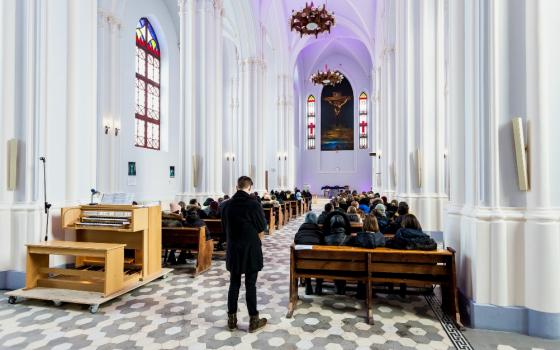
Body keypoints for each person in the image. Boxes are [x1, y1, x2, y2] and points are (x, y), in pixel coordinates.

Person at [221, 176, 268, 332]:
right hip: (250, 249)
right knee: (250, 285)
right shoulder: (254, 204)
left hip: (233, 249)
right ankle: (253, 320)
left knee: (234, 284)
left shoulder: (226, 205)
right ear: (250, 188)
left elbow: (224, 227)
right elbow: (262, 227)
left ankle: (231, 320)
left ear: (237, 187)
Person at [294, 212, 324, 295]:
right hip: (318, 264)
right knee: (320, 261)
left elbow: (295, 241)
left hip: (302, 264)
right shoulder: (319, 232)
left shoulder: (300, 232)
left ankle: (308, 285)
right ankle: (318, 286)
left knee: (306, 262)